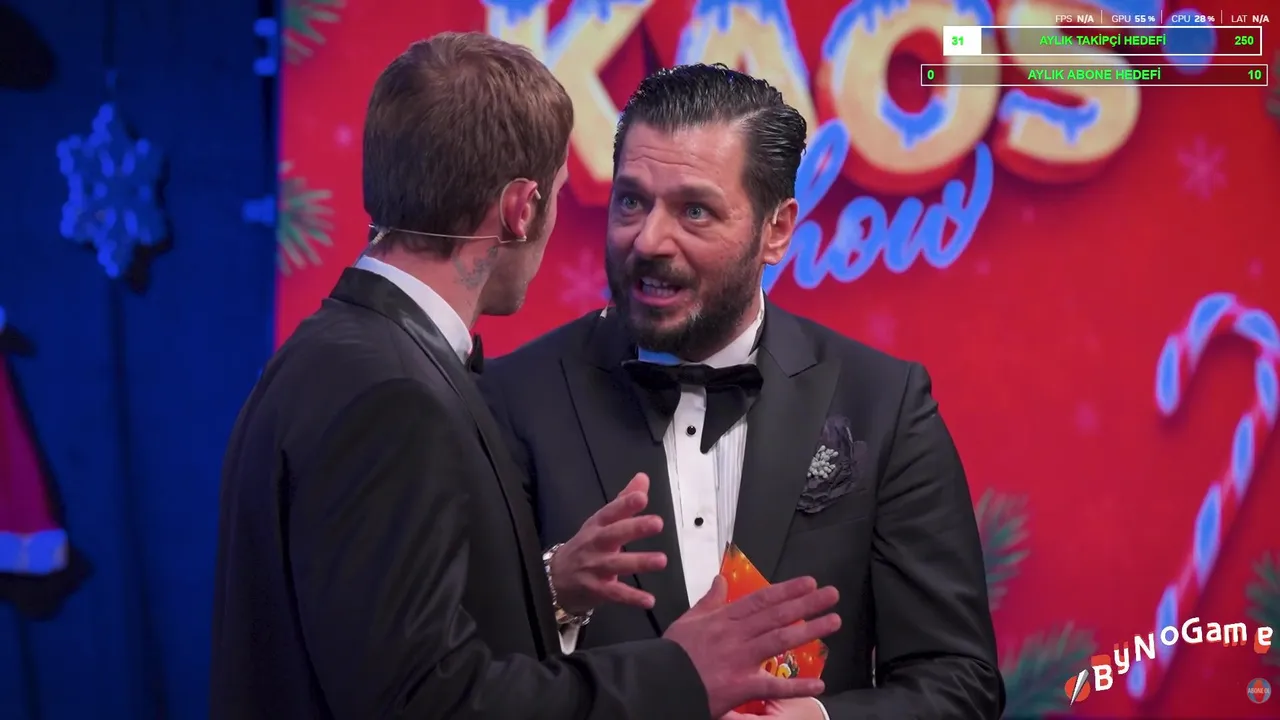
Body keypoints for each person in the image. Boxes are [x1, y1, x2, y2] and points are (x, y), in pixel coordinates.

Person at [211, 36, 844, 720]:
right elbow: (427, 703)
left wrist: (546, 589)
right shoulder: (394, 396)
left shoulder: (341, 350)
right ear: (521, 207)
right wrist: (679, 676)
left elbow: (365, 635)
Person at [481, 63, 1005, 719]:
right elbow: (452, 678)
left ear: (776, 230)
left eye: (694, 211)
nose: (650, 240)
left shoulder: (883, 403)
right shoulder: (513, 398)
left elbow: (959, 681)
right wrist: (556, 590)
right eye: (632, 202)